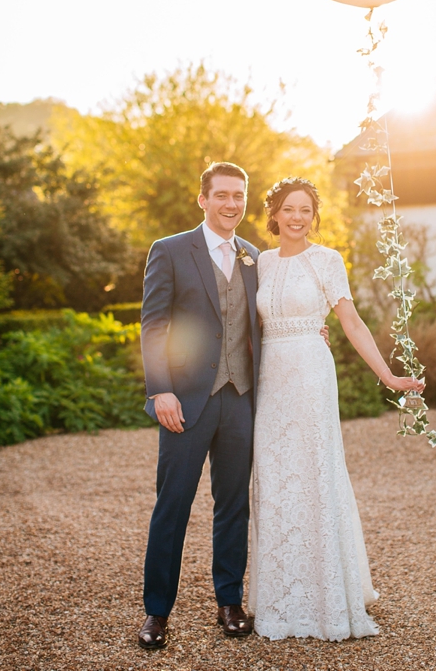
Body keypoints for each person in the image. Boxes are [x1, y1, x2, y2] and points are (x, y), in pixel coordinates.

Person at [248, 177, 423, 640]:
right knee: (275, 476)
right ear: (275, 214)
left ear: (315, 215)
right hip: (270, 378)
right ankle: (280, 595)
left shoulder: (328, 260)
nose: (298, 217)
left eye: (306, 209)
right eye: (289, 209)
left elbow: (351, 320)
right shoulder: (261, 262)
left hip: (309, 374)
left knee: (314, 473)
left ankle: (327, 595)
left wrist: (388, 376)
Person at [137, 162, 262, 649]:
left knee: (233, 506)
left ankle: (229, 602)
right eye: (223, 195)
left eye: (239, 196)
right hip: (185, 400)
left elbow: (263, 321)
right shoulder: (169, 251)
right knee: (172, 506)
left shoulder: (254, 256)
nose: (232, 204)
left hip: (241, 399)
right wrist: (159, 388)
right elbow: (153, 325)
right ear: (203, 199)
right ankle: (156, 613)